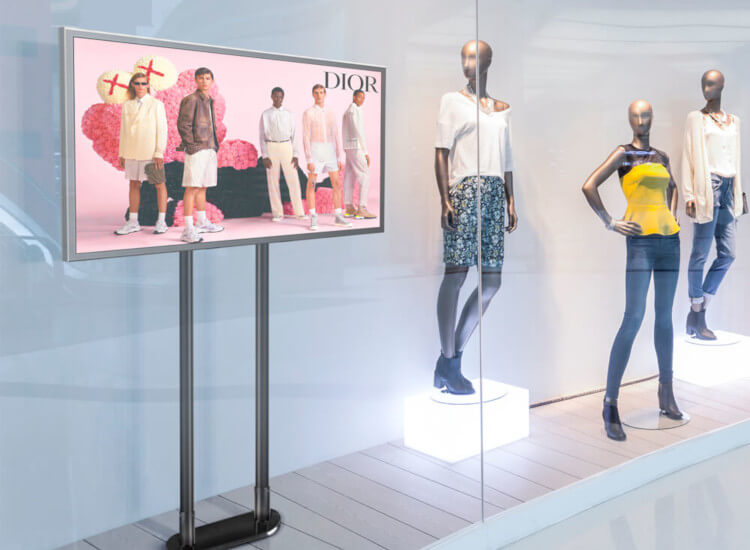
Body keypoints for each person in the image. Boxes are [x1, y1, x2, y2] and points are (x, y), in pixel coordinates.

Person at [582, 100, 684, 442]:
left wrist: (672, 216)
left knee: (666, 318)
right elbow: (589, 185)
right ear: (629, 120)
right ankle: (610, 403)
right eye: (637, 115)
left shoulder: (661, 156)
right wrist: (611, 222)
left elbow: (673, 188)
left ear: (653, 118)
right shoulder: (623, 154)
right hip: (640, 243)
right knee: (633, 318)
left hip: (669, 241)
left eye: (647, 114)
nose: (642, 120)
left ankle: (666, 393)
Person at [434, 40, 517, 395]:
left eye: (473, 56)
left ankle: (449, 361)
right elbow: (441, 152)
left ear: (488, 61)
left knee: (492, 282)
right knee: (456, 275)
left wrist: (511, 200)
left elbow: (507, 159)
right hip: (465, 191)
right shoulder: (452, 101)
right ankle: (450, 361)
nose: (467, 62)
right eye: (463, 56)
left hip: (496, 194)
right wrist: (445, 199)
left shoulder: (502, 110)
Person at [682, 70, 744, 340]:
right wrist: (689, 195)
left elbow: (735, 158)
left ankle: (698, 311)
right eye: (704, 84)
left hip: (729, 188)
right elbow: (688, 156)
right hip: (709, 187)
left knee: (728, 254)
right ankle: (697, 311)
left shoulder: (734, 121)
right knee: (700, 253)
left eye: (711, 84)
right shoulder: (696, 119)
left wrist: (741, 192)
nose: (706, 88)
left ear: (721, 86)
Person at [115, 72, 168, 235]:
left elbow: (162, 129)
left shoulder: (156, 104)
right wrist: (122, 153)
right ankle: (133, 221)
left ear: (148, 85)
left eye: (143, 83)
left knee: (159, 185)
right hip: (131, 151)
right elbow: (124, 131)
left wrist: (159, 152)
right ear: (132, 85)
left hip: (151, 151)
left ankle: (161, 221)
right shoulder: (127, 105)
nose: (140, 87)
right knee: (134, 184)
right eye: (137, 83)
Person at [176, 67, 224, 243]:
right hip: (197, 149)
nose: (204, 81)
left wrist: (214, 146)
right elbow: (183, 124)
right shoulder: (191, 99)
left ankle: (202, 222)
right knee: (192, 187)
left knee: (203, 186)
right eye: (201, 78)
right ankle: (188, 230)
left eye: (208, 78)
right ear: (196, 80)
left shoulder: (209, 100)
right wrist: (191, 145)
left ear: (212, 81)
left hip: (209, 148)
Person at [302, 84, 351, 230]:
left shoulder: (330, 113)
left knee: (336, 184)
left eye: (321, 93)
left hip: (329, 150)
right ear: (313, 94)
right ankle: (313, 217)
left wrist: (338, 156)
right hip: (316, 149)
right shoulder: (308, 113)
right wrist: (309, 159)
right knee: (311, 184)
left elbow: (336, 134)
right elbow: (305, 136)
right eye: (316, 93)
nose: (319, 95)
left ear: (325, 94)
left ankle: (338, 216)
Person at [259, 87, 307, 222]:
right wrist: (265, 155)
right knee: (273, 181)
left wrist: (296, 154)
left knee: (293, 180)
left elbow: (294, 135)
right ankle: (277, 213)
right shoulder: (266, 114)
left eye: (280, 97)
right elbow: (261, 135)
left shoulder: (289, 114)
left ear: (283, 97)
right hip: (271, 146)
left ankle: (299, 212)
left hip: (287, 146)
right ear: (271, 96)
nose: (278, 99)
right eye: (275, 96)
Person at [342, 89, 376, 219]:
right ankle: (362, 207)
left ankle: (349, 207)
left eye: (363, 97)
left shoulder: (347, 111)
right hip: (356, 146)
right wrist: (365, 151)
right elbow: (358, 131)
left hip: (349, 146)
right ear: (354, 97)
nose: (362, 99)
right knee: (365, 174)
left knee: (350, 176)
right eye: (359, 97)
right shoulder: (355, 110)